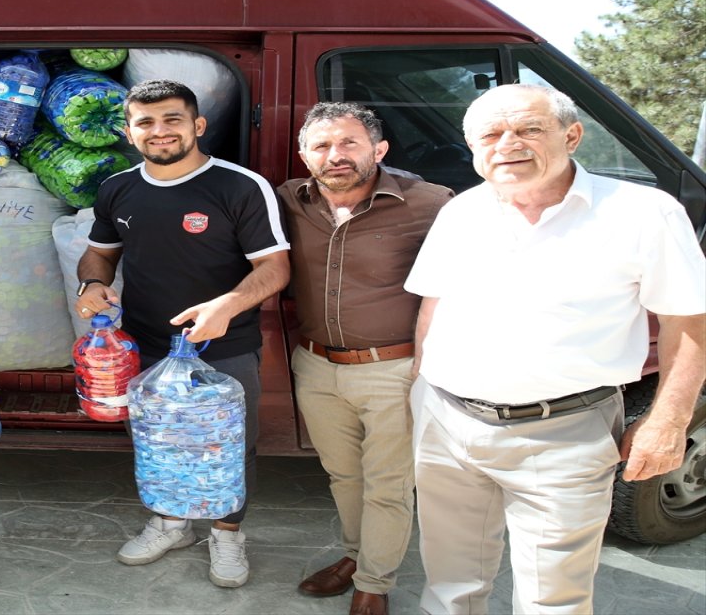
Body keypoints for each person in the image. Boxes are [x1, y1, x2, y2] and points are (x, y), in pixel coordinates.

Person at [406, 84, 706, 614]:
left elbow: (689, 322)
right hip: (446, 424)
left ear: (572, 135)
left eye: (528, 130)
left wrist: (669, 421)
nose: (507, 145)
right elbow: (433, 305)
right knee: (449, 585)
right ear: (473, 148)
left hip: (564, 433)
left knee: (554, 601)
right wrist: (419, 390)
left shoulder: (642, 213)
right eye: (491, 135)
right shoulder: (462, 211)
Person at [76, 79, 290, 588]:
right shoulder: (117, 188)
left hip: (224, 345)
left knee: (228, 449)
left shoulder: (239, 186)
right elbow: (100, 252)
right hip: (143, 346)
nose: (159, 131)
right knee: (155, 442)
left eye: (172, 119)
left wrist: (228, 305)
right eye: (145, 122)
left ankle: (226, 536)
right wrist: (92, 282)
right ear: (129, 132)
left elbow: (275, 268)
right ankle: (173, 525)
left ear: (197, 125)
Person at [277, 102, 453, 615]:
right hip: (314, 365)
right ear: (304, 154)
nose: (336, 155)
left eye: (350, 143)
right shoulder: (288, 199)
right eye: (323, 145)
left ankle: (374, 585)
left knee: (388, 485)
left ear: (378, 149)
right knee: (343, 476)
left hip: (392, 369)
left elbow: (462, 283)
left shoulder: (432, 203)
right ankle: (357, 556)